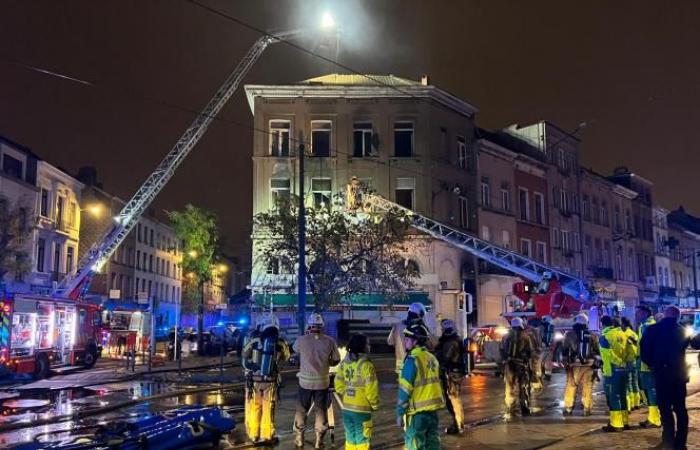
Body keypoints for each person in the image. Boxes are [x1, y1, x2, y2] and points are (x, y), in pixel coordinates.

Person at [640, 306, 700, 450]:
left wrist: (654, 365)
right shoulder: (682, 330)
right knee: (680, 409)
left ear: (665, 315)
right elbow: (695, 344)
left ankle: (668, 441)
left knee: (665, 409)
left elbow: (644, 351)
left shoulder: (652, 329)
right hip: (679, 376)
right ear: (678, 317)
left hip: (662, 375)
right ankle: (680, 442)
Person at [293, 312, 341, 449]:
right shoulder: (329, 341)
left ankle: (299, 438)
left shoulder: (302, 339)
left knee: (301, 410)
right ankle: (318, 440)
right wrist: (327, 363)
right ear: (322, 326)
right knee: (321, 411)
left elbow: (294, 350)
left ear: (309, 325)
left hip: (305, 383)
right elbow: (336, 360)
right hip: (322, 383)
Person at [241, 314, 291, 445]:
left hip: (254, 381)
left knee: (254, 407)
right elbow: (286, 357)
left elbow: (244, 356)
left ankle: (254, 435)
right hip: (270, 380)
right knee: (268, 408)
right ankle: (267, 435)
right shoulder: (280, 341)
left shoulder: (254, 340)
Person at [396, 323, 445, 450]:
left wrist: (399, 413)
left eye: (407, 339)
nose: (405, 342)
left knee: (415, 445)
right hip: (432, 412)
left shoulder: (412, 361)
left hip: (416, 413)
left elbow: (404, 391)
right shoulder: (432, 358)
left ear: (415, 341)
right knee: (433, 443)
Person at [334, 334, 379, 450]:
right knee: (362, 439)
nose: (369, 346)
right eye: (367, 344)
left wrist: (348, 394)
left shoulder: (344, 363)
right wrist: (374, 404)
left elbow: (338, 385)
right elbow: (371, 389)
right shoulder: (366, 365)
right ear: (362, 346)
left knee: (350, 439)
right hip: (362, 411)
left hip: (347, 409)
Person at [562, 313, 600, 416]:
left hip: (574, 365)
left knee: (571, 386)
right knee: (587, 386)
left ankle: (568, 407)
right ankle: (587, 409)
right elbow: (597, 350)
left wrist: (565, 362)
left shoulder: (569, 334)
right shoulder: (592, 335)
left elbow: (565, 350)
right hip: (589, 365)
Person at [599, 315, 630, 432]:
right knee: (622, 396)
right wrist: (623, 363)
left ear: (603, 324)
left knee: (613, 397)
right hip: (624, 370)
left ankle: (616, 424)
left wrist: (618, 363)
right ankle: (625, 421)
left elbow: (608, 355)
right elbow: (628, 351)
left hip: (612, 371)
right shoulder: (622, 333)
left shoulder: (605, 337)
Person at [435, 319, 465, 434]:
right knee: (452, 399)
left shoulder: (450, 342)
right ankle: (457, 423)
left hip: (451, 374)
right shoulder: (452, 340)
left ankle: (458, 425)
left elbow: (445, 359)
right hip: (452, 373)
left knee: (453, 399)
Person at [500, 317, 534, 418]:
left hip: (509, 365)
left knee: (509, 386)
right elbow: (530, 352)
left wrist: (505, 360)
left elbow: (501, 350)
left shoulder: (505, 337)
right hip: (521, 366)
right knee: (523, 386)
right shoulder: (526, 336)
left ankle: (511, 407)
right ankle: (524, 408)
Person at [387, 303, 434, 377]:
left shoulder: (397, 326)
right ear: (420, 314)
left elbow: (390, 342)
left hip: (401, 367)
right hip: (416, 365)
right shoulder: (421, 328)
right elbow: (431, 345)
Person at [636, 305, 661, 429]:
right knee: (649, 391)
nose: (637, 315)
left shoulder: (648, 326)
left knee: (651, 391)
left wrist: (649, 362)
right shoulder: (646, 325)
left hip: (648, 366)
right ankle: (653, 417)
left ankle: (655, 419)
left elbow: (649, 347)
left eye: (639, 313)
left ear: (645, 313)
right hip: (646, 364)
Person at [539, 315, 555, 381]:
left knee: (539, 361)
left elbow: (538, 337)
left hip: (541, 348)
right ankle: (548, 375)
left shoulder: (540, 328)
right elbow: (553, 338)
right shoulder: (552, 328)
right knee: (548, 361)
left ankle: (539, 375)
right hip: (549, 348)